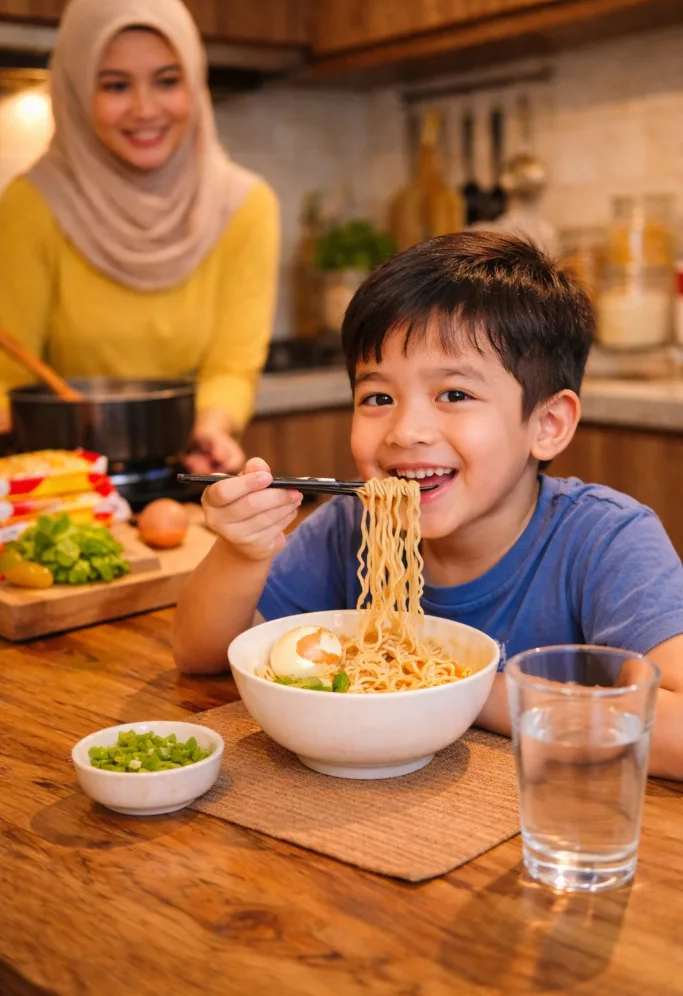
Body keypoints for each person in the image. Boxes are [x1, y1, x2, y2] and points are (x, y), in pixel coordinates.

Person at [172, 232, 683, 780]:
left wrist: (459, 690)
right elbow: (203, 656)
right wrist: (241, 553)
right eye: (378, 398)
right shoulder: (353, 524)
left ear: (547, 425)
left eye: (454, 395)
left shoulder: (605, 540)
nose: (407, 431)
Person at [0, 0, 279, 473]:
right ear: (77, 91)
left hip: (183, 464)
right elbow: (9, 373)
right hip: (56, 477)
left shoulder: (245, 206)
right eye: (115, 85)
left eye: (168, 81)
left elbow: (232, 366)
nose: (146, 109)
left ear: (194, 83)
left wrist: (212, 428)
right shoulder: (32, 204)